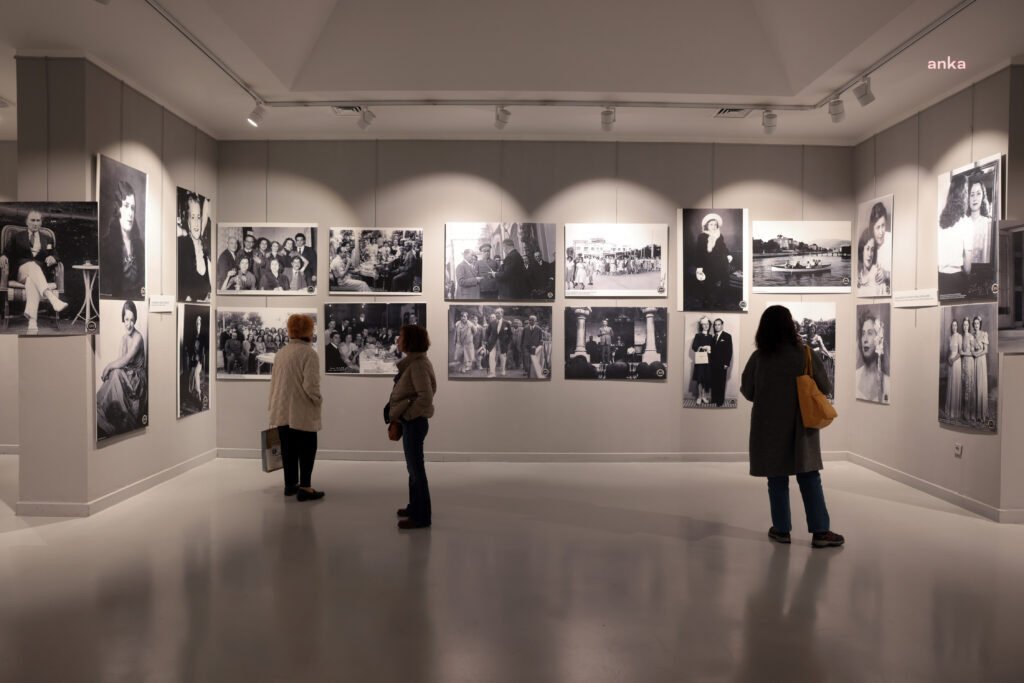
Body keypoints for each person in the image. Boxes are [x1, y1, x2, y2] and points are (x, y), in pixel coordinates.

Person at [740, 305, 844, 548]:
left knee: (776, 479)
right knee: (809, 478)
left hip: (768, 426)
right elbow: (826, 388)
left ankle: (781, 530)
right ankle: (820, 532)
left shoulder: (759, 358)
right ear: (790, 326)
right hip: (802, 427)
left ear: (763, 329)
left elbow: (747, 391)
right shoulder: (805, 354)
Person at [268, 314, 324, 501]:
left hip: (281, 409)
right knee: (308, 447)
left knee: (288, 448)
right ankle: (305, 487)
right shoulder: (309, 353)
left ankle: (290, 485)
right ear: (308, 331)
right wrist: (318, 399)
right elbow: (310, 385)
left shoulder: (281, 353)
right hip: (301, 409)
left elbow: (275, 382)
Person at [387, 324, 437, 529]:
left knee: (416, 469)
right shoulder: (416, 362)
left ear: (410, 341)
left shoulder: (417, 365)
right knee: (413, 468)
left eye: (401, 337)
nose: (398, 340)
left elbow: (426, 396)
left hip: (414, 422)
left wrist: (405, 416)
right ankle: (414, 506)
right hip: (413, 422)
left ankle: (421, 517)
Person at [0, 209, 68, 332]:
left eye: (38, 220)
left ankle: (32, 322)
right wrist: (3, 256)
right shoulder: (17, 237)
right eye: (32, 220)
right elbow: (6, 252)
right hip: (21, 271)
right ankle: (52, 298)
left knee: (31, 281)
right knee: (31, 265)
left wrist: (53, 257)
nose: (35, 223)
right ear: (26, 221)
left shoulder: (47, 238)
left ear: (41, 222)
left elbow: (56, 255)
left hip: (39, 275)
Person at [96, 300, 147, 438]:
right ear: (122, 319)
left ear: (135, 319)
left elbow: (126, 360)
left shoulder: (138, 338)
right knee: (115, 372)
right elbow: (120, 362)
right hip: (127, 375)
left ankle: (101, 412)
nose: (129, 323)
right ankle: (100, 411)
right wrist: (111, 369)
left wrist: (107, 366)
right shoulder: (123, 339)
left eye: (131, 319)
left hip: (138, 379)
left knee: (115, 371)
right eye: (126, 319)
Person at [101, 179, 145, 299]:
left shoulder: (139, 246)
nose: (130, 213)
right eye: (126, 206)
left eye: (132, 208)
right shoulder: (106, 245)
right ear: (118, 208)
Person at [937, 175, 974, 297]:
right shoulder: (967, 222)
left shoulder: (940, 221)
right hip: (957, 281)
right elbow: (968, 268)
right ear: (964, 194)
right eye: (967, 191)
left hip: (940, 280)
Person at [694, 213, 734, 308]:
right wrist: (700, 266)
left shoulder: (719, 235)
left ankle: (720, 300)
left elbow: (723, 247)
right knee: (708, 283)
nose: (713, 226)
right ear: (707, 225)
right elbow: (700, 252)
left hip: (721, 262)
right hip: (708, 263)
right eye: (711, 224)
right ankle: (706, 300)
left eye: (715, 224)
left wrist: (728, 254)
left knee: (724, 281)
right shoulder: (702, 236)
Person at [177, 193, 211, 302]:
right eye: (192, 217)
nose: (196, 223)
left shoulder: (205, 250)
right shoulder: (183, 244)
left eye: (198, 217)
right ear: (187, 221)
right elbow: (181, 291)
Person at [855, 310, 890, 403]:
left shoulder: (887, 383)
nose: (865, 339)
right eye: (863, 334)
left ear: (878, 339)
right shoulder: (855, 376)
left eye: (870, 333)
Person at [864, 202, 892, 295]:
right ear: (872, 228)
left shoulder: (892, 240)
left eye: (883, 226)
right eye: (878, 227)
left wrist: (887, 274)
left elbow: (904, 274)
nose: (881, 232)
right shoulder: (869, 245)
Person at [967, 174, 993, 268]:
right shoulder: (962, 223)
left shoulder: (987, 223)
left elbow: (986, 258)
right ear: (967, 197)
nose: (975, 198)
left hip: (981, 272)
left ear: (983, 196)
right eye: (971, 194)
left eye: (978, 194)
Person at [709, 318, 733, 406]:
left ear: (722, 325)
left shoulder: (727, 336)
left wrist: (727, 363)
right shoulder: (713, 337)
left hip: (722, 364)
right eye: (715, 325)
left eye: (719, 324)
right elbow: (712, 350)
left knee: (721, 382)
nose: (717, 326)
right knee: (714, 381)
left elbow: (729, 351)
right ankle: (714, 399)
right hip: (713, 364)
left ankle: (720, 401)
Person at [690, 317, 713, 405]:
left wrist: (710, 348)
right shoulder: (698, 335)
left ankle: (704, 396)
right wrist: (701, 347)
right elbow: (694, 347)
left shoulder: (711, 336)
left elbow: (714, 348)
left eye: (707, 324)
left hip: (708, 361)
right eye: (704, 324)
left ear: (709, 325)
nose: (706, 326)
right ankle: (699, 397)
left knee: (706, 378)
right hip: (700, 360)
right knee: (700, 379)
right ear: (701, 325)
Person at [856, 232, 887, 297]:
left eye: (872, 250)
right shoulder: (858, 277)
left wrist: (886, 274)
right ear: (862, 251)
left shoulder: (878, 275)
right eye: (867, 249)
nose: (870, 254)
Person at [971, 315, 989, 424]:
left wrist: (977, 354)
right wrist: (974, 354)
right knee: (975, 385)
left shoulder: (984, 334)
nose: (976, 325)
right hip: (975, 360)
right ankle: (976, 413)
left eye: (978, 323)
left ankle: (982, 414)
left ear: (980, 324)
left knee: (981, 385)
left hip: (981, 360)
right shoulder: (972, 336)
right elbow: (972, 349)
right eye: (975, 324)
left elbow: (986, 350)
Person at [485, 307, 512, 377]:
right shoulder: (492, 323)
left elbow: (510, 335)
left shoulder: (507, 323)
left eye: (498, 313)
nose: (497, 314)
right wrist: (486, 340)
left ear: (502, 314)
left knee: (502, 357)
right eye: (496, 313)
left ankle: (503, 370)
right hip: (492, 343)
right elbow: (487, 332)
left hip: (502, 344)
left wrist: (507, 343)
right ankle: (492, 373)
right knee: (491, 356)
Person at [945, 319, 963, 420]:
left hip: (956, 362)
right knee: (951, 384)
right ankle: (950, 409)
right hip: (950, 362)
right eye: (953, 326)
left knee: (956, 383)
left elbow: (960, 352)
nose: (954, 327)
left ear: (957, 326)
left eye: (955, 325)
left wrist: (953, 359)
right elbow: (949, 351)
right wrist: (948, 358)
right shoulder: (949, 338)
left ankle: (955, 411)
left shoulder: (959, 336)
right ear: (951, 327)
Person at [960, 315, 976, 423]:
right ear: (962, 326)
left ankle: (970, 413)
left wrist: (963, 353)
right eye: (964, 325)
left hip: (969, 362)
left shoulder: (971, 337)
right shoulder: (962, 337)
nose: (966, 326)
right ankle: (964, 411)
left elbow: (973, 352)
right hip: (963, 363)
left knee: (969, 386)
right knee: (964, 386)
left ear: (969, 326)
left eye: (967, 325)